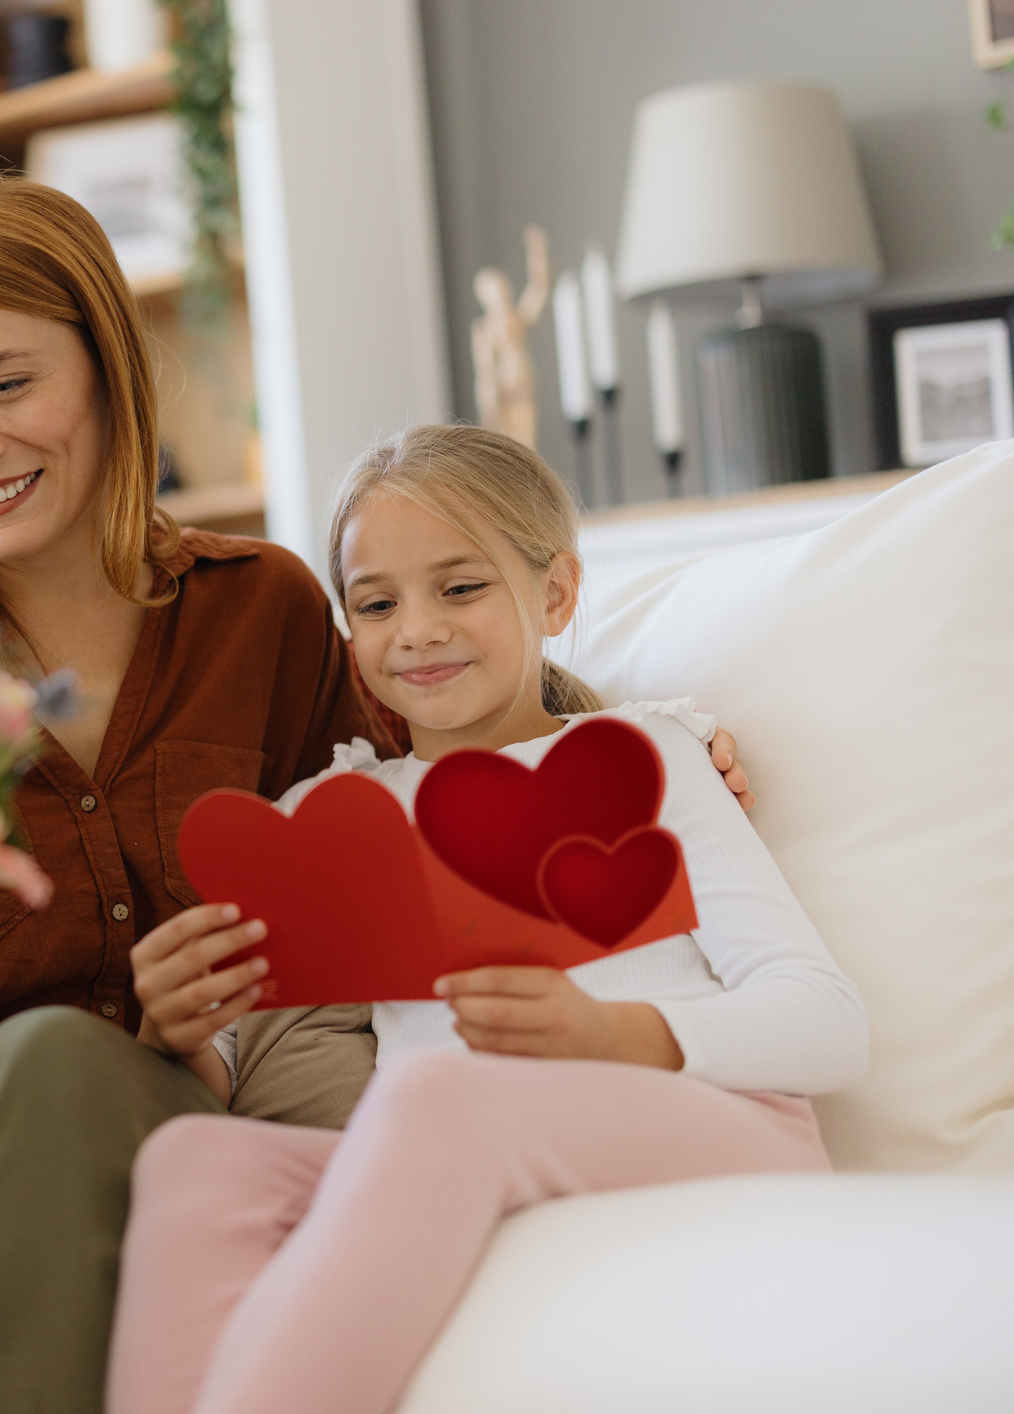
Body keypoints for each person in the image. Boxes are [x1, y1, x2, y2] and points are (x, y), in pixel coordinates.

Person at [0, 174, 756, 1414]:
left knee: (49, 1058)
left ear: (105, 366)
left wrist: (641, 746)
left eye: (6, 384)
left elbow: (437, 751)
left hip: (141, 1127)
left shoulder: (261, 615)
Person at [107, 424, 869, 1414]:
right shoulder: (332, 816)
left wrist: (607, 1033)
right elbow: (231, 1069)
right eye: (376, 603)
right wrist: (176, 1033)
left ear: (553, 595)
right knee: (196, 1160)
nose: (416, 630)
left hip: (716, 1125)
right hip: (462, 1141)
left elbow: (828, 1022)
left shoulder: (646, 757)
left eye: (459, 587)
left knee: (433, 1095)